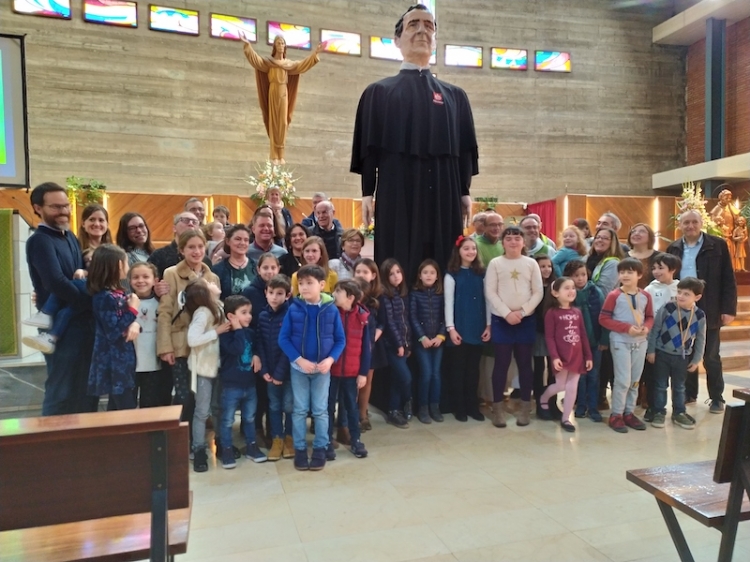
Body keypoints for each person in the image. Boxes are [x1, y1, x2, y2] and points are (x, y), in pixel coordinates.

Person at [351, 3, 478, 283]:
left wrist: (464, 191)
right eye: (413, 25)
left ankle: (443, 318)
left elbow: (465, 149)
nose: (422, 31)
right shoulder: (378, 92)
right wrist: (367, 193)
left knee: (445, 252)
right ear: (397, 40)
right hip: (397, 186)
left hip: (445, 189)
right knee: (398, 250)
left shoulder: (456, 96)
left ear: (436, 40)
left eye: (429, 25)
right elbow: (369, 148)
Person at [26, 182, 97, 415]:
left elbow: (79, 275)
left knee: (85, 388)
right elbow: (55, 282)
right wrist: (88, 300)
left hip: (81, 320)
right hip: (59, 323)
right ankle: (52, 445)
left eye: (66, 206)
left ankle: (82, 444)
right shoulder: (39, 240)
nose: (64, 212)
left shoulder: (71, 237)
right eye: (56, 207)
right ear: (38, 208)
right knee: (61, 389)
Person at [666, 210, 737, 412]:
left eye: (694, 222)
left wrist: (728, 309)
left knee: (711, 355)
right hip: (682, 309)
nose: (690, 226)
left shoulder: (717, 245)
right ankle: (690, 393)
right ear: (680, 225)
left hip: (710, 307)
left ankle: (716, 398)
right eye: (686, 222)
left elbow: (728, 279)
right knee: (685, 353)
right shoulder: (674, 247)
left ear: (701, 223)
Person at [279, 265, 346, 472]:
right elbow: (284, 339)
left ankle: (320, 448)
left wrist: (330, 360)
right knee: (299, 410)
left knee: (321, 410)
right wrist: (299, 360)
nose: (304, 287)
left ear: (322, 285)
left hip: (322, 371)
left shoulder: (331, 309)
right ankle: (300, 449)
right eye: (301, 283)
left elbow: (340, 340)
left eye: (309, 283)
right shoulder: (293, 308)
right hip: (299, 369)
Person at [157, 230, 220, 442]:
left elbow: (216, 312)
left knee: (202, 397)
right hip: (181, 344)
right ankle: (182, 442)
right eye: (191, 247)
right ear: (182, 250)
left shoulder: (213, 277)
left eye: (200, 246)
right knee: (184, 396)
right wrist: (165, 346)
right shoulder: (171, 274)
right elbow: (165, 312)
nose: (196, 251)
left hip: (204, 347)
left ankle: (198, 441)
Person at [485, 226, 544, 428]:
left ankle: (526, 407)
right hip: (502, 320)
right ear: (503, 242)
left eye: (517, 238)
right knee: (501, 364)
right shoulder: (495, 263)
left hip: (525, 320)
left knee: (525, 364)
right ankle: (498, 409)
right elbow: (490, 292)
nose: (513, 242)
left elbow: (538, 292)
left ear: (523, 242)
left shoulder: (530, 264)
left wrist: (523, 312)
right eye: (508, 238)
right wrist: (507, 313)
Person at [240, 33, 325, 164]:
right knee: (274, 123)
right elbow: (256, 60)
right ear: (274, 46)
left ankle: (281, 154)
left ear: (285, 47)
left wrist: (315, 53)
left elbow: (303, 65)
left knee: (283, 123)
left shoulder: (288, 64)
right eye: (278, 43)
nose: (281, 45)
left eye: (283, 43)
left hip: (284, 92)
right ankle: (274, 155)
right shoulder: (269, 63)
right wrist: (247, 45)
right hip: (273, 92)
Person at [599, 258, 654, 433]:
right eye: (622, 272)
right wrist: (626, 328)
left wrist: (646, 327)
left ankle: (629, 412)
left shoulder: (645, 295)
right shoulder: (614, 295)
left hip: (640, 341)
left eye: (629, 272)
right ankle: (616, 414)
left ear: (639, 275)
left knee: (635, 380)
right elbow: (604, 319)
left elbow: (650, 317)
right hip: (620, 341)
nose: (625, 275)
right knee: (623, 380)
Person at [646, 277, 706, 430]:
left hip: (682, 356)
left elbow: (700, 339)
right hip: (662, 353)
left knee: (679, 386)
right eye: (679, 292)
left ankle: (679, 412)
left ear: (697, 297)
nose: (681, 296)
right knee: (660, 385)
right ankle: (659, 411)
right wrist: (651, 350)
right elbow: (655, 330)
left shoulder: (699, 315)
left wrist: (697, 358)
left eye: (686, 294)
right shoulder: (668, 308)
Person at [86, 244, 140, 410]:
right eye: (126, 262)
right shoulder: (104, 297)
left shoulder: (118, 293)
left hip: (123, 359)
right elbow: (113, 331)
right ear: (118, 265)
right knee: (125, 408)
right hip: (114, 363)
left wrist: (135, 323)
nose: (129, 267)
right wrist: (132, 309)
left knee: (117, 407)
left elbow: (125, 323)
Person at [185, 279, 231, 472]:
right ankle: (199, 449)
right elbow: (192, 339)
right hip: (204, 368)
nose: (212, 281)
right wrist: (216, 331)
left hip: (218, 366)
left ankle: (220, 443)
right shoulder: (203, 312)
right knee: (202, 411)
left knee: (218, 408)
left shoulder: (218, 306)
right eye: (207, 283)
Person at [444, 236, 491, 422]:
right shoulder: (451, 274)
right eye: (466, 249)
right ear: (459, 252)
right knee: (458, 370)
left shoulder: (482, 273)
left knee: (473, 370)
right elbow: (448, 303)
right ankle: (459, 407)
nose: (471, 252)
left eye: (473, 248)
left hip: (477, 326)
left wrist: (488, 324)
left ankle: (473, 406)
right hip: (459, 327)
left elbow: (487, 301)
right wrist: (451, 328)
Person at [218, 295, 267, 469]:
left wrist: (255, 354)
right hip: (231, 386)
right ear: (231, 316)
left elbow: (255, 347)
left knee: (249, 418)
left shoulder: (250, 332)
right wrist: (237, 329)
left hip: (250, 385)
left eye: (250, 313)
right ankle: (226, 449)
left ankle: (251, 446)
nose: (249, 316)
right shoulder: (225, 336)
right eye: (244, 313)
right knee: (227, 420)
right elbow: (237, 348)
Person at [538, 277, 593, 432]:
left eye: (573, 288)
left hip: (577, 356)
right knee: (560, 385)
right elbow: (549, 336)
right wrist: (554, 357)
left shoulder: (577, 312)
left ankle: (566, 418)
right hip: (561, 356)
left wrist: (588, 356)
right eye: (566, 288)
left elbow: (583, 335)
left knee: (572, 387)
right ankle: (543, 397)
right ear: (555, 293)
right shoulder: (551, 313)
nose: (571, 291)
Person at [328, 280, 371, 459]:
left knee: (351, 407)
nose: (334, 294)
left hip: (352, 372)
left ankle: (356, 440)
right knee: (328, 407)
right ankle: (327, 441)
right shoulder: (330, 312)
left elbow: (366, 348)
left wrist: (363, 373)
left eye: (338, 291)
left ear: (350, 297)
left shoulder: (362, 316)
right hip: (330, 371)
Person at [564, 260, 606, 423]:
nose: (580, 279)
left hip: (595, 341)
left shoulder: (596, 292)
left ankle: (593, 406)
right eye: (576, 276)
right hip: (575, 344)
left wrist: (604, 339)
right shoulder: (567, 294)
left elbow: (604, 316)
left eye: (583, 274)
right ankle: (581, 404)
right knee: (579, 376)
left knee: (594, 375)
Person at [257, 274, 294, 462]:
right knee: (273, 406)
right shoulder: (263, 315)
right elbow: (260, 344)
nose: (274, 297)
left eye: (279, 293)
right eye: (271, 293)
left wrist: (279, 373)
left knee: (288, 406)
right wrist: (264, 371)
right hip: (269, 373)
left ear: (287, 295)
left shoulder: (291, 314)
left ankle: (289, 439)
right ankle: (277, 439)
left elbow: (289, 347)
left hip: (286, 373)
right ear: (265, 293)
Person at [641, 253, 681, 419]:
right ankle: (653, 407)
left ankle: (678, 409)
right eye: (654, 268)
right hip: (654, 336)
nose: (656, 271)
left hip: (674, 338)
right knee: (653, 376)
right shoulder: (650, 288)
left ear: (672, 269)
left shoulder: (680, 287)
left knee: (676, 380)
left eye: (661, 268)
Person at [129, 262, 171, 408]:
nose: (140, 281)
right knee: (128, 403)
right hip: (130, 365)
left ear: (155, 280)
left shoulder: (161, 303)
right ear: (129, 280)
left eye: (145, 276)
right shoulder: (125, 302)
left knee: (150, 403)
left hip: (153, 364)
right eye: (135, 277)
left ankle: (150, 431)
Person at [409, 259, 446, 424]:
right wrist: (422, 336)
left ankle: (435, 406)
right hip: (421, 341)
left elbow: (446, 316)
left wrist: (441, 335)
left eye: (432, 272)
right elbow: (413, 317)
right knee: (426, 374)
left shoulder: (441, 294)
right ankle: (423, 408)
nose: (429, 275)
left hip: (438, 340)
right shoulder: (415, 294)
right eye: (425, 272)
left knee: (436, 375)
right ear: (420, 276)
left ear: (437, 276)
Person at [379, 258, 414, 429]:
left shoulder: (403, 293)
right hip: (392, 345)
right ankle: (408, 401)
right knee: (405, 378)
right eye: (391, 274)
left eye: (398, 272)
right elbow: (390, 322)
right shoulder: (385, 295)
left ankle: (394, 410)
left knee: (397, 379)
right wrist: (399, 344)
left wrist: (408, 343)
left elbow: (406, 320)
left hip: (405, 343)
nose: (396, 276)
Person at [354, 258, 386, 430]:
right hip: (352, 347)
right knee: (352, 383)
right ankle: (349, 415)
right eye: (358, 271)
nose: (361, 275)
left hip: (371, 346)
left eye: (365, 272)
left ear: (373, 275)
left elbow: (383, 322)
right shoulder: (350, 294)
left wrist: (372, 338)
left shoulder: (379, 296)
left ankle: (363, 413)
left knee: (366, 381)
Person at [531, 255, 560, 419]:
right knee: (539, 369)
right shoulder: (532, 287)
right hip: (538, 333)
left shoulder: (556, 286)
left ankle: (553, 402)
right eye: (542, 266)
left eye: (549, 266)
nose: (546, 269)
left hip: (554, 334)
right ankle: (540, 404)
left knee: (554, 370)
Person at [148, 212, 209, 278]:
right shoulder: (159, 255)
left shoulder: (205, 259)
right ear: (174, 228)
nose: (191, 224)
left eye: (194, 222)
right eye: (185, 220)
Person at [211, 224, 258, 300]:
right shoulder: (218, 269)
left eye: (246, 240)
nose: (242, 243)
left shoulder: (257, 266)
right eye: (238, 239)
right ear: (227, 241)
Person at [627, 223, 658, 288]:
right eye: (633, 231)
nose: (636, 233)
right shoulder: (622, 257)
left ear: (650, 237)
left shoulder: (659, 257)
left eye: (642, 231)